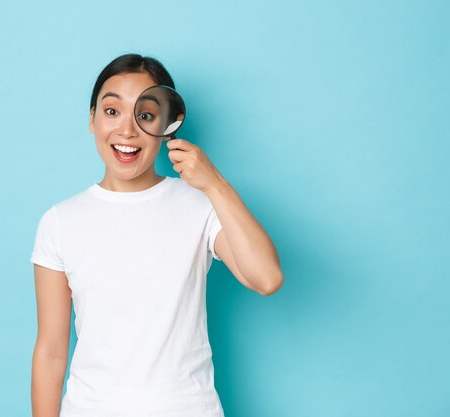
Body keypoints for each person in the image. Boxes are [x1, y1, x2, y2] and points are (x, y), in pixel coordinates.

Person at [30, 53, 284, 417]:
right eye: (112, 111)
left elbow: (267, 278)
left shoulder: (200, 205)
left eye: (145, 115)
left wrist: (215, 183)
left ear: (168, 125)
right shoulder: (59, 221)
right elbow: (51, 351)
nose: (127, 130)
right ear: (92, 119)